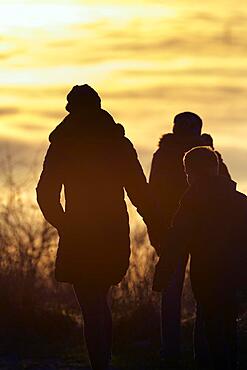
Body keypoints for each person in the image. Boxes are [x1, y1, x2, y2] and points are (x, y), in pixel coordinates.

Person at [36, 84, 154, 370]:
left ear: (70, 110)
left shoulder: (63, 144)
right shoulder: (118, 143)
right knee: (100, 299)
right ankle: (104, 362)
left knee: (91, 304)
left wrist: (64, 224)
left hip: (79, 229)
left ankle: (100, 364)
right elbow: (140, 191)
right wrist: (157, 222)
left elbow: (45, 193)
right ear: (99, 107)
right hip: (112, 228)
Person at [153, 146, 247, 370]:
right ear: (216, 169)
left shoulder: (191, 203)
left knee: (212, 326)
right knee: (228, 325)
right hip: (238, 275)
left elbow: (177, 239)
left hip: (207, 276)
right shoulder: (241, 201)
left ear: (189, 174)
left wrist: (162, 274)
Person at [149, 112, 230, 367]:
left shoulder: (162, 155)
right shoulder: (209, 155)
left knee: (172, 292)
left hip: (174, 232)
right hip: (205, 234)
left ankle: (171, 351)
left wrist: (156, 232)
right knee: (204, 293)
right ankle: (200, 353)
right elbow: (226, 189)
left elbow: (153, 197)